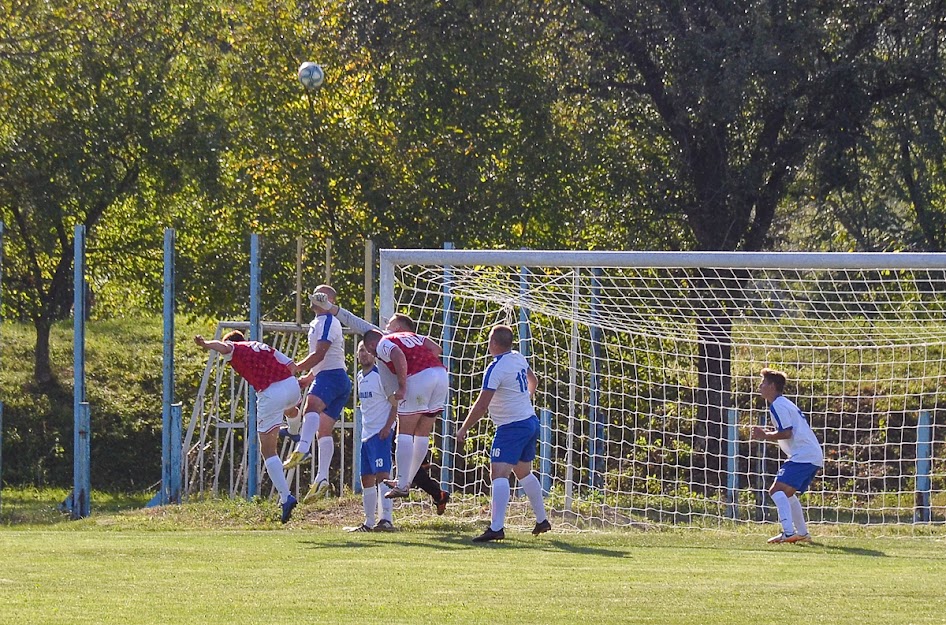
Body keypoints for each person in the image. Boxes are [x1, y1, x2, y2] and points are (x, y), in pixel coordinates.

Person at [311, 294, 450, 505]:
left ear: (398, 327)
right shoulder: (416, 338)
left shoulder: (386, 339)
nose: (386, 324)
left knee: (404, 431)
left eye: (390, 322)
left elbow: (394, 353)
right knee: (422, 433)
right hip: (441, 375)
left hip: (419, 378)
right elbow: (437, 350)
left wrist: (403, 384)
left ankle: (403, 484)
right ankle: (409, 480)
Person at [456, 324, 551, 543]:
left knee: (498, 474)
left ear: (494, 343)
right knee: (523, 473)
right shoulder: (517, 357)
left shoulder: (495, 368)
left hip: (512, 427)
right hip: (530, 421)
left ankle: (496, 527)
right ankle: (542, 520)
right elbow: (533, 381)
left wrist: (464, 428)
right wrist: (525, 397)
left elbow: (481, 405)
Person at [195, 330, 301, 523]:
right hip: (291, 386)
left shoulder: (235, 348)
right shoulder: (262, 346)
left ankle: (286, 497)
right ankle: (295, 431)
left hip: (270, 392)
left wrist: (206, 344)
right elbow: (292, 366)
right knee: (289, 408)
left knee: (268, 450)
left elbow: (223, 346)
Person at [282, 285, 353, 504]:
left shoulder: (329, 321)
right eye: (314, 295)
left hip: (332, 377)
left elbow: (320, 353)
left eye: (320, 296)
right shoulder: (318, 323)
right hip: (334, 377)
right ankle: (322, 477)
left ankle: (302, 449)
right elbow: (325, 359)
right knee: (323, 431)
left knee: (310, 407)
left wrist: (297, 368)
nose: (314, 299)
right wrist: (308, 378)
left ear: (330, 300)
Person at [751, 367, 823, 544]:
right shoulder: (783, 403)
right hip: (810, 455)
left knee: (775, 491)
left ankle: (789, 533)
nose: (760, 386)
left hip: (803, 456)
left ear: (773, 386)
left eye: (764, 383)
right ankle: (802, 533)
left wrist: (765, 435)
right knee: (788, 495)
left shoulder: (778, 405)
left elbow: (786, 433)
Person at [347, 340, 399, 532]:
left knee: (383, 475)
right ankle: (368, 522)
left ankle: (386, 519)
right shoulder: (360, 376)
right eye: (361, 350)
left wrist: (388, 427)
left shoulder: (380, 375)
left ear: (374, 354)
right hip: (366, 435)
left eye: (367, 351)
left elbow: (395, 403)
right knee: (366, 478)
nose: (363, 354)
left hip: (380, 433)